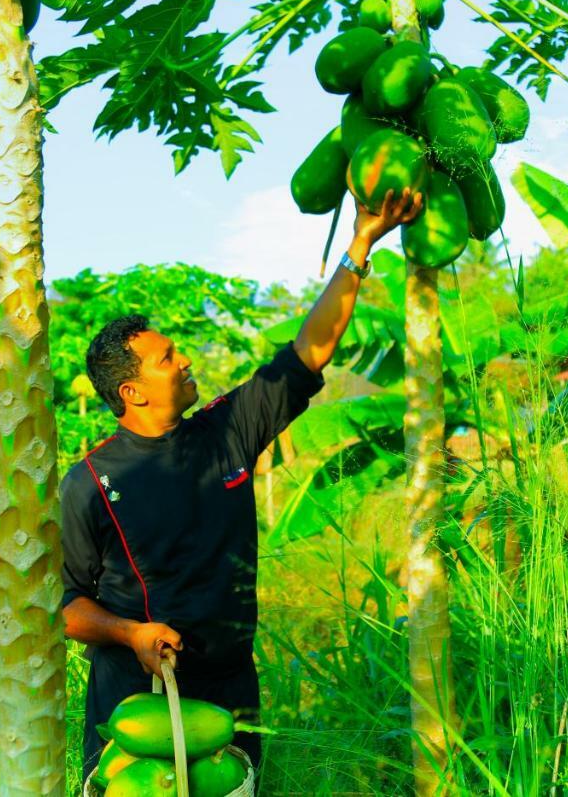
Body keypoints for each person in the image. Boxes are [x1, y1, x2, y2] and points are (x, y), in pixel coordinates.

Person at [60, 186, 424, 787]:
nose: (184, 361)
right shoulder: (93, 482)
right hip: (135, 700)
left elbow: (307, 353)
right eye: (167, 358)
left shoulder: (225, 431)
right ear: (133, 392)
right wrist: (131, 634)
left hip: (231, 689)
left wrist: (359, 244)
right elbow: (65, 606)